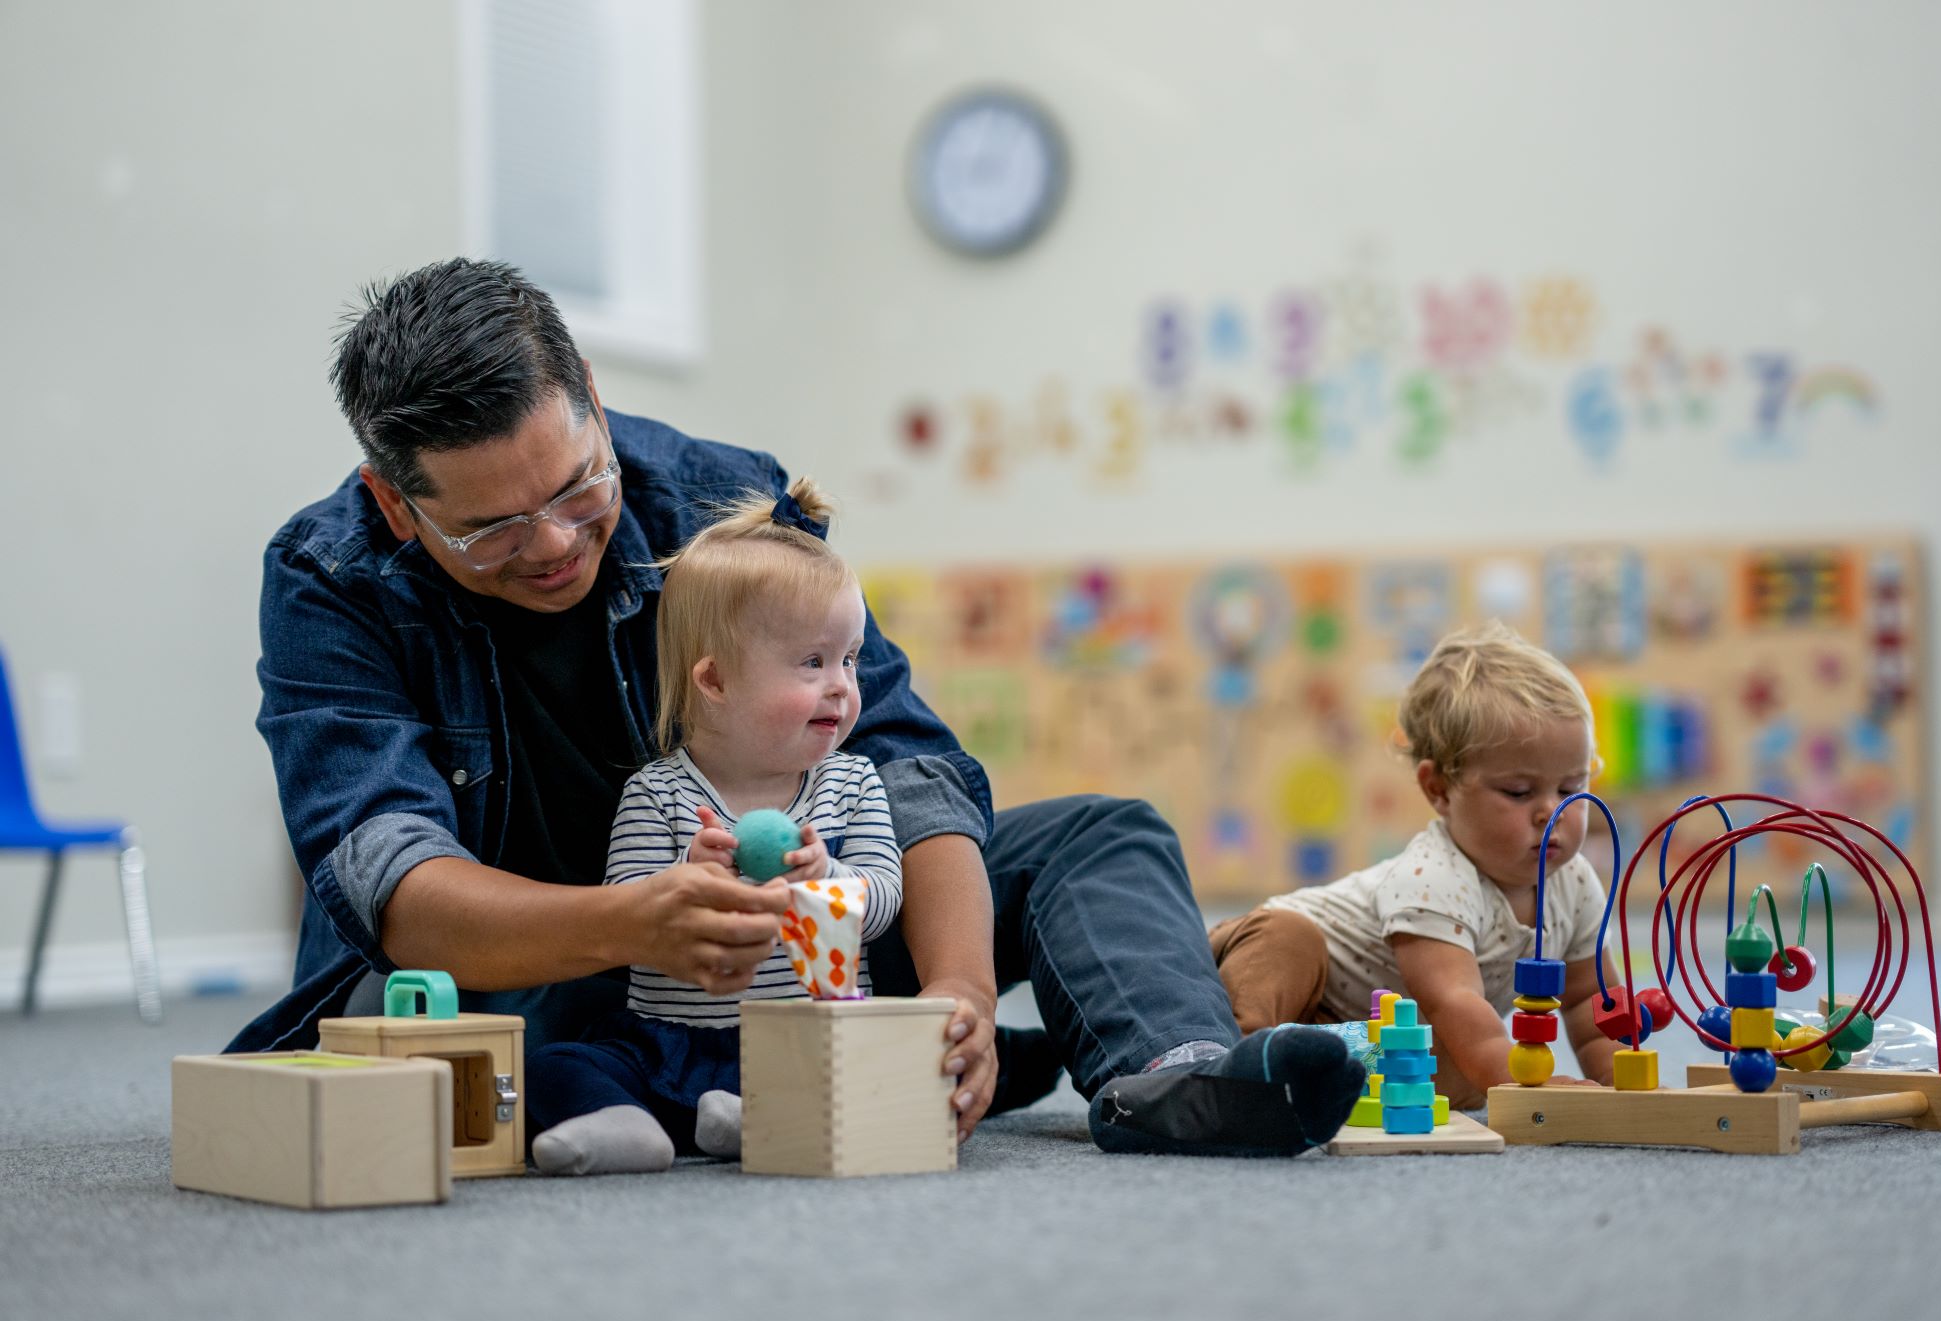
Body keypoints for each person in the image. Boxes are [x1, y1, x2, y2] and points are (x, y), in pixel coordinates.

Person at [232, 257, 1362, 1158]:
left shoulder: (724, 503)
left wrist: (958, 988)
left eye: (578, 486)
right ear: (394, 503)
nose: (557, 544)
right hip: (551, 962)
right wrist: (636, 921)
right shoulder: (330, 578)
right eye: (493, 531)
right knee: (439, 1040)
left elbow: (906, 760)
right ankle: (749, 1074)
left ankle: (1167, 1074)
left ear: (587, 388)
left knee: (1097, 834)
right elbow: (394, 884)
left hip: (802, 935)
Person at [529, 476, 903, 1174]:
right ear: (716, 679)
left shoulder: (852, 784)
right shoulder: (661, 793)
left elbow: (882, 900)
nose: (842, 686)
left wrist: (827, 878)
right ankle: (627, 1123)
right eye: (812, 662)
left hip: (807, 1039)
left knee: (884, 1068)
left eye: (849, 659)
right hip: (671, 1037)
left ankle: (751, 1118)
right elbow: (627, 915)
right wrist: (688, 878)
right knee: (554, 1062)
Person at [1207, 622, 1618, 1107]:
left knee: (1455, 1071)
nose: (1551, 812)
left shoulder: (1575, 883)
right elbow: (1453, 999)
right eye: (1518, 792)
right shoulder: (1436, 877)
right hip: (1272, 966)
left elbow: (1592, 1005)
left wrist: (1619, 1091)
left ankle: (1309, 1074)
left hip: (1365, 1030)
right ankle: (1231, 1066)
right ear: (1439, 789)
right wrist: (1528, 1089)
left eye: (1571, 788)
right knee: (1290, 939)